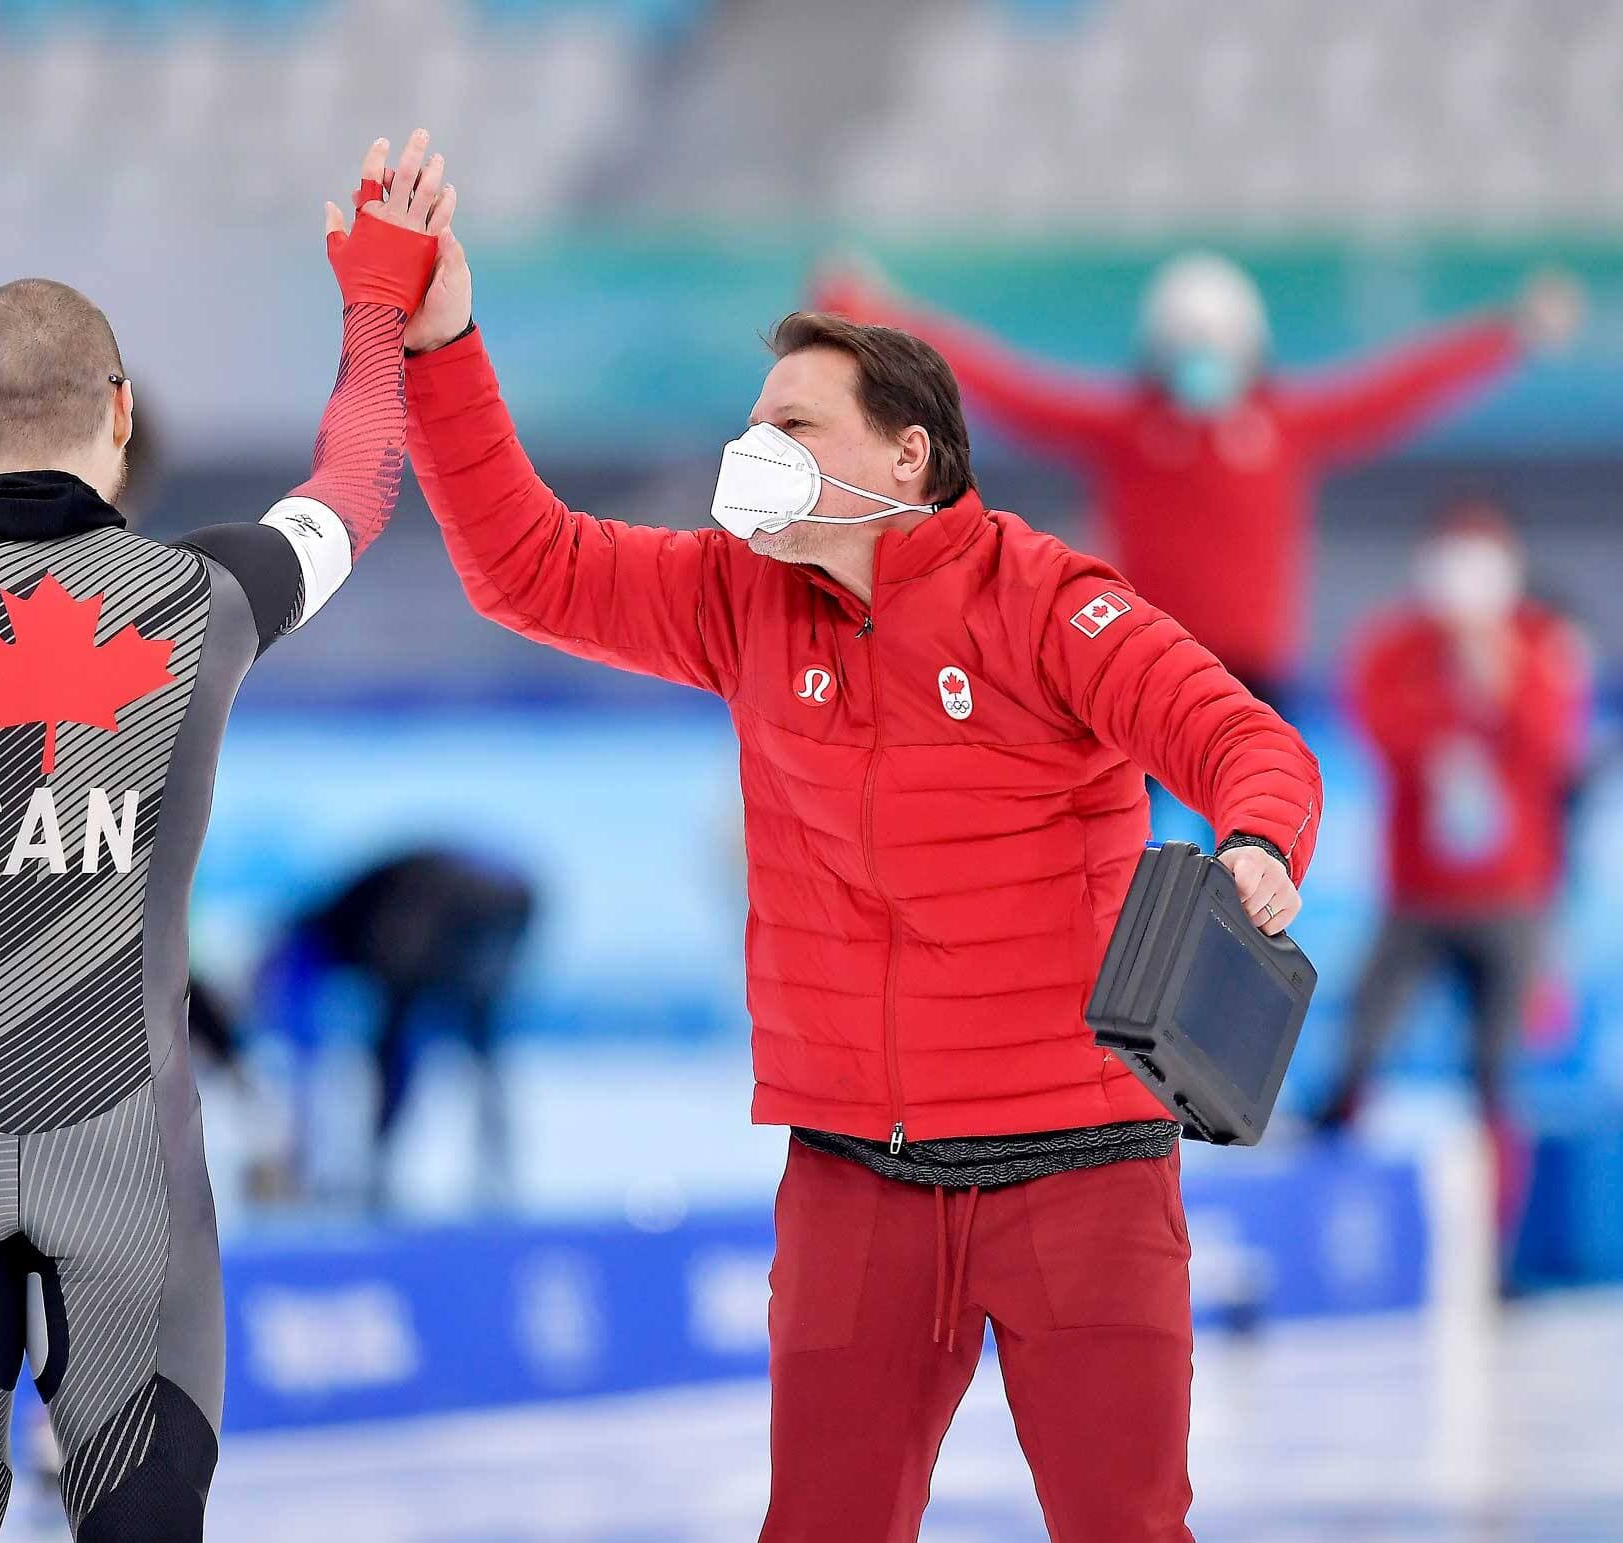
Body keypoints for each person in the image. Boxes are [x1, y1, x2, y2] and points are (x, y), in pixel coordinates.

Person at [400, 229, 1322, 1540]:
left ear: (910, 455)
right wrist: (438, 341)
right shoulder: (738, 595)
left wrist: (1257, 843)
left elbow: (1247, 742)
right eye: (752, 421)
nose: (753, 448)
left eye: (793, 422)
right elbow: (525, 566)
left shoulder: (1051, 603)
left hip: (1084, 1177)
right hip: (857, 1180)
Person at [0, 132, 454, 1543]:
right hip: (132, 1166)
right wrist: (374, 302)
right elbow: (359, 483)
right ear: (121, 412)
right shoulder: (209, 591)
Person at [812, 254, 1584, 707]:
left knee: (1253, 862)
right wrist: (883, 318)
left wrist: (1507, 331)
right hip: (1137, 660)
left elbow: (1403, 386)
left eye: (1216, 344)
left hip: (1253, 678)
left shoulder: (1285, 427)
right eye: (1186, 344)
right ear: (1156, 348)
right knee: (1121, 856)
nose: (1202, 360)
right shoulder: (1127, 430)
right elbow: (1003, 384)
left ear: (1250, 348)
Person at [1316, 502, 1590, 1251]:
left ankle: (1492, 1252)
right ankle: (1328, 1226)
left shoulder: (1539, 643)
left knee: (1497, 1077)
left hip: (1512, 898)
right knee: (1359, 1052)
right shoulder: (1394, 645)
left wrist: (1499, 675)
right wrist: (1456, 693)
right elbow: (1385, 736)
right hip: (1417, 897)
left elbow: (1552, 749)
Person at [258, 846, 536, 1208]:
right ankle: (492, 1172)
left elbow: (301, 1029)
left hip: (460, 899)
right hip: (504, 895)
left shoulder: (324, 930)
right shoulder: (348, 918)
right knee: (475, 1033)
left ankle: (380, 1167)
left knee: (402, 1036)